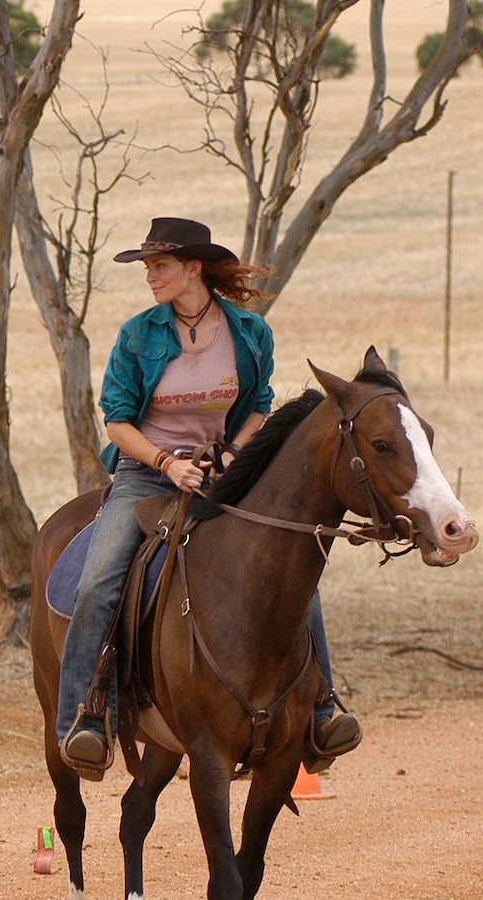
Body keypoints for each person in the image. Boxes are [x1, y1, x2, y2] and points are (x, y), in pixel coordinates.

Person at [56, 217, 361, 778]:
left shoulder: (247, 332)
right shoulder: (137, 334)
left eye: (159, 265)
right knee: (98, 582)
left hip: (223, 472)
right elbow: (116, 424)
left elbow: (258, 407)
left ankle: (321, 707)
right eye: (147, 267)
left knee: (296, 572)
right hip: (145, 474)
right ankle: (85, 717)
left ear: (193, 267)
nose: (150, 277)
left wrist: (234, 452)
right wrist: (168, 463)